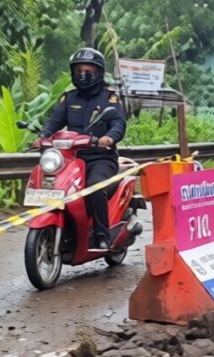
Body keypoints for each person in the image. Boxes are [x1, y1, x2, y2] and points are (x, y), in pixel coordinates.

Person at [34, 48, 126, 251]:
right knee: (54, 185)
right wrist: (42, 137)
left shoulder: (109, 99)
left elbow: (119, 123)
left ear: (98, 72)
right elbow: (54, 121)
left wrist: (109, 137)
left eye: (88, 71)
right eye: (78, 71)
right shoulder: (68, 98)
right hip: (71, 158)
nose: (82, 75)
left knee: (95, 186)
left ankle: (101, 236)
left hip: (100, 158)